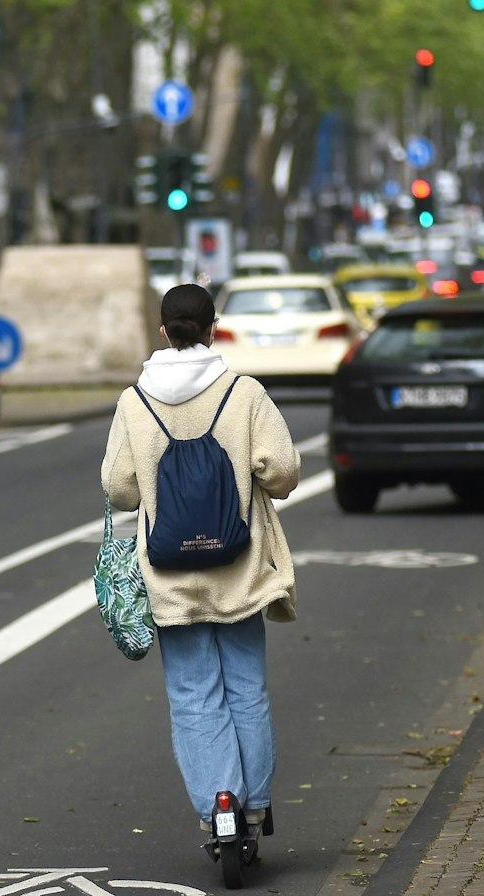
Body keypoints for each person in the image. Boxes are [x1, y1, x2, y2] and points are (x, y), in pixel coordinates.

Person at [100, 284, 300, 844]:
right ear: (214, 327)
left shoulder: (134, 402)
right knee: (247, 689)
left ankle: (221, 806)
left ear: (163, 331)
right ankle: (255, 806)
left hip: (170, 579)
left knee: (193, 695)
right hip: (240, 572)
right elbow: (282, 472)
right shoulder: (244, 393)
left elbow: (118, 490)